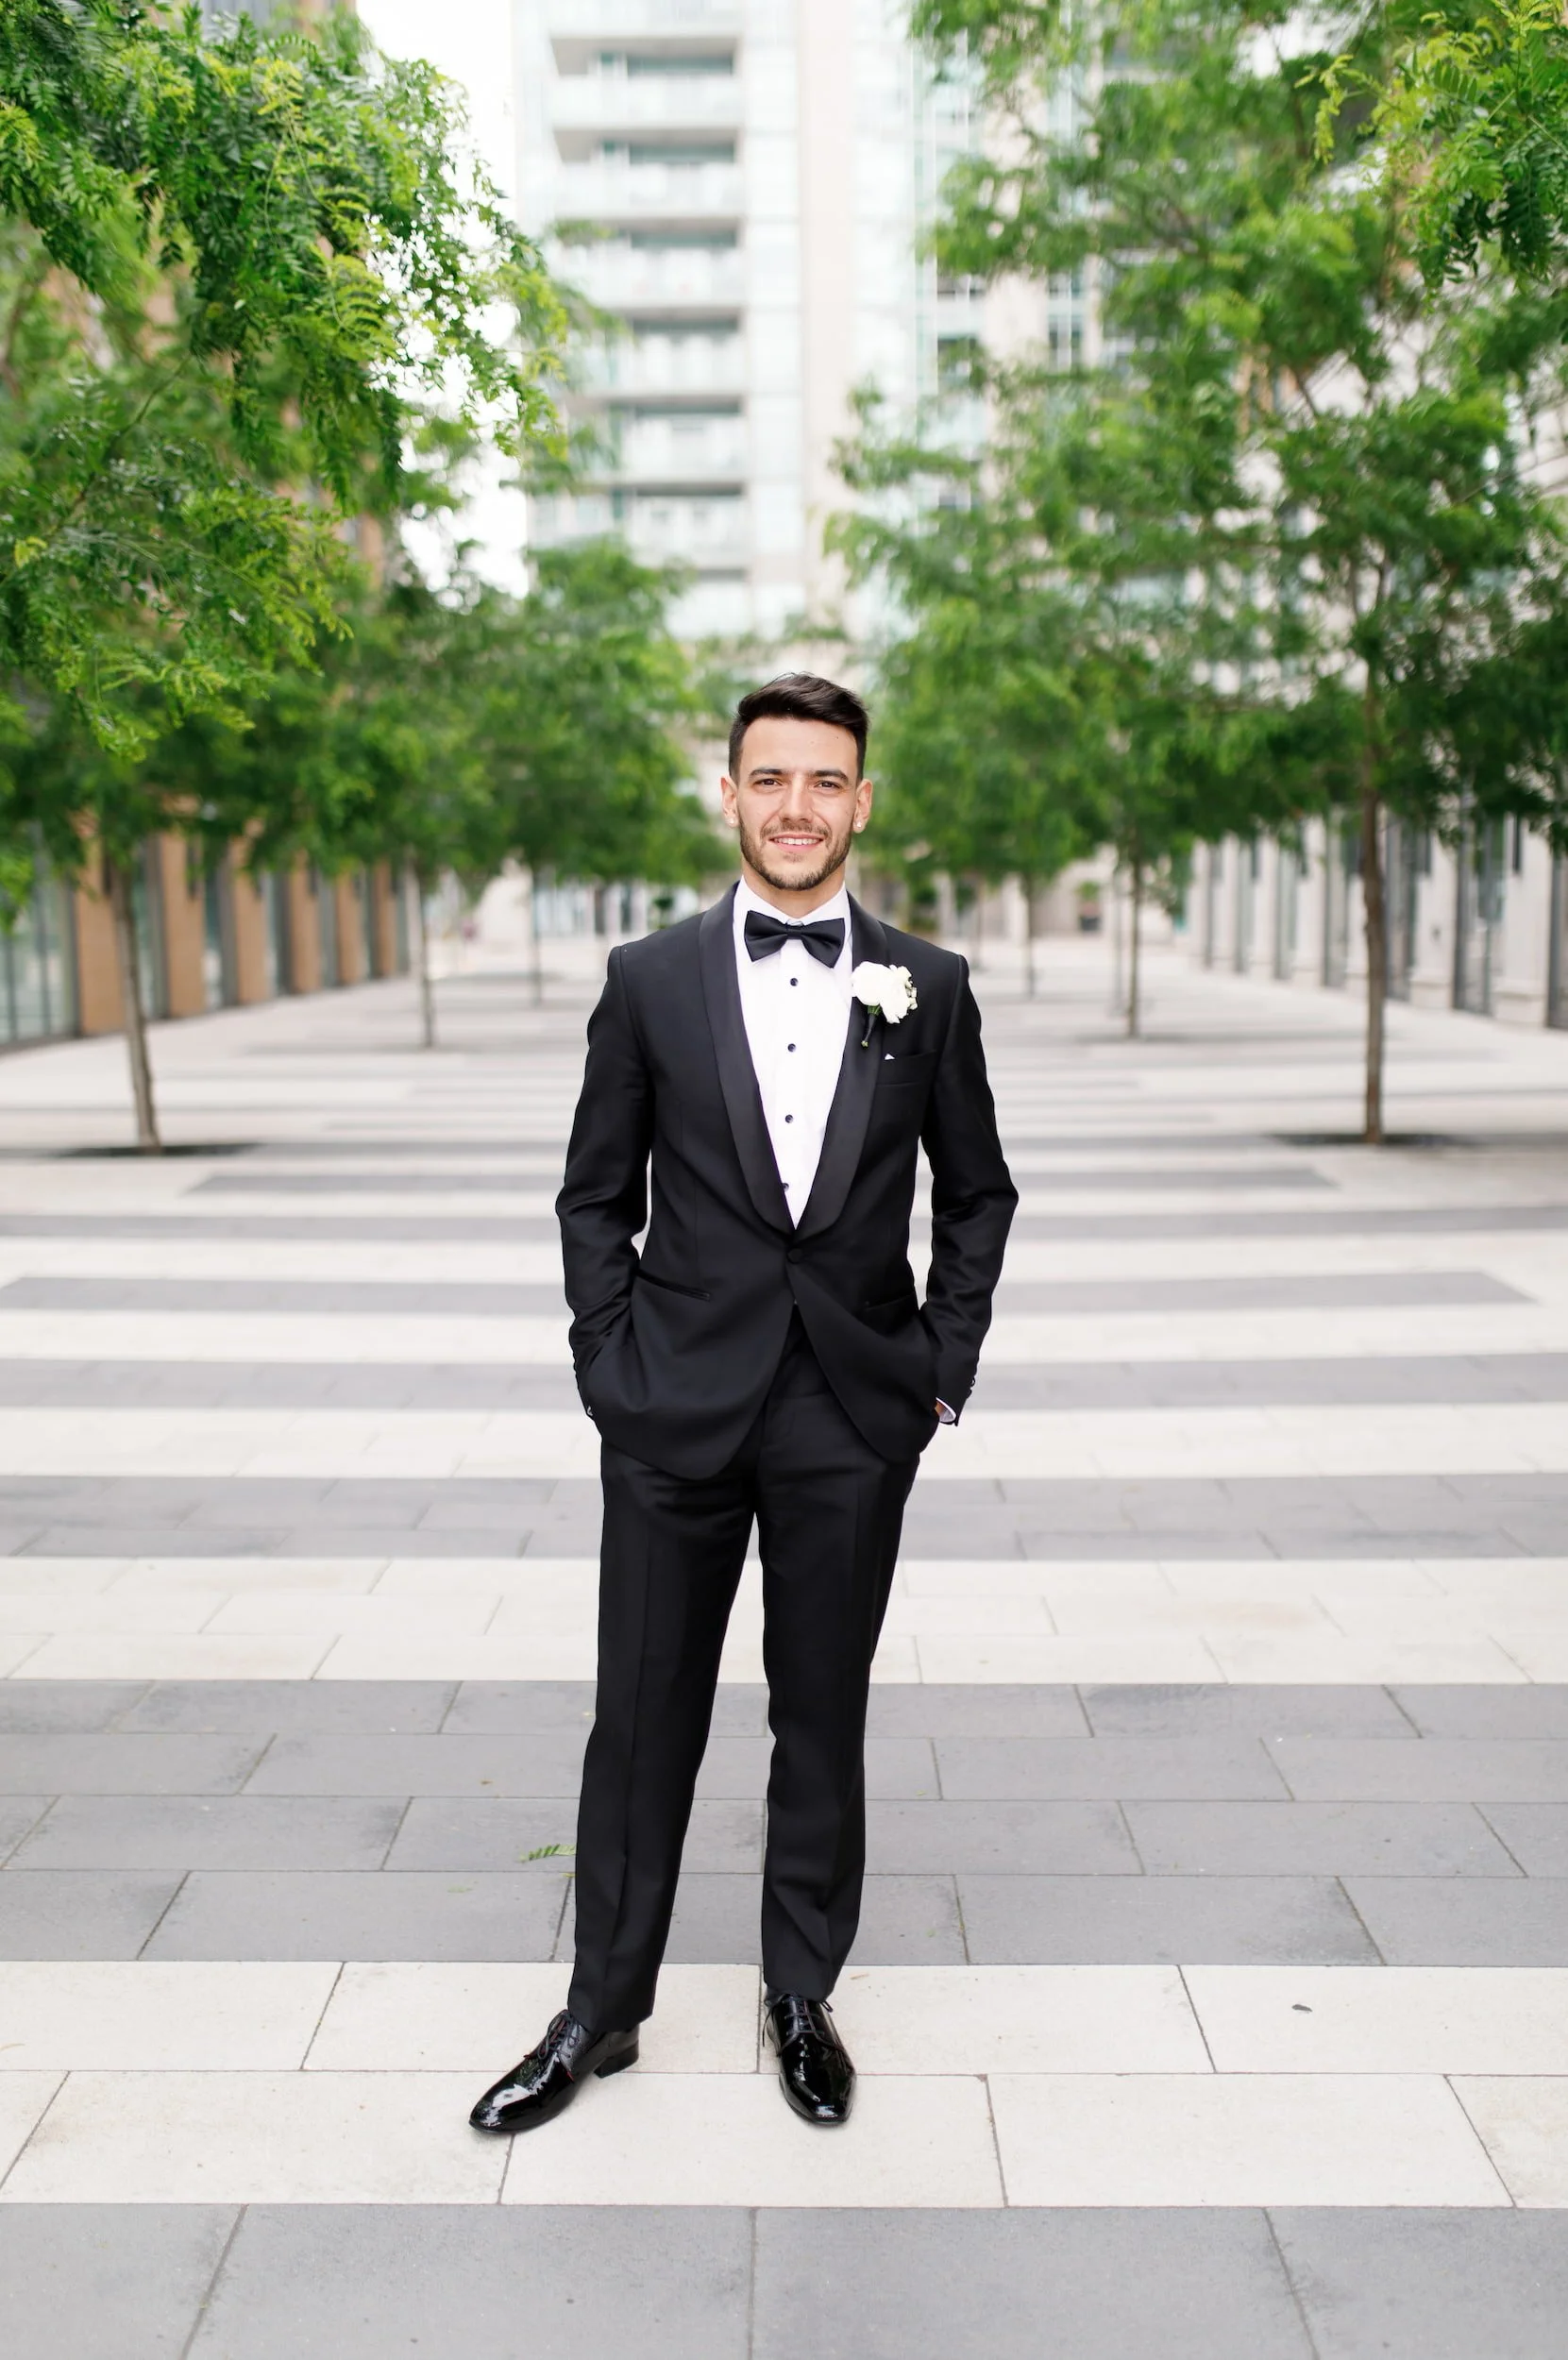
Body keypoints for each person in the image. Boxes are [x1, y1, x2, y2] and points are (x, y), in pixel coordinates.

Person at [471, 672, 1016, 2135]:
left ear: (862, 799)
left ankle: (798, 1992)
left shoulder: (931, 985)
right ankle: (602, 2008)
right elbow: (595, 1191)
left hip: (850, 1409)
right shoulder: (647, 980)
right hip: (673, 1406)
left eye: (825, 780)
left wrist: (939, 1370)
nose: (796, 806)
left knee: (820, 1713)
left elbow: (978, 1194)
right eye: (769, 778)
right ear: (728, 794)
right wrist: (610, 1360)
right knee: (640, 1714)